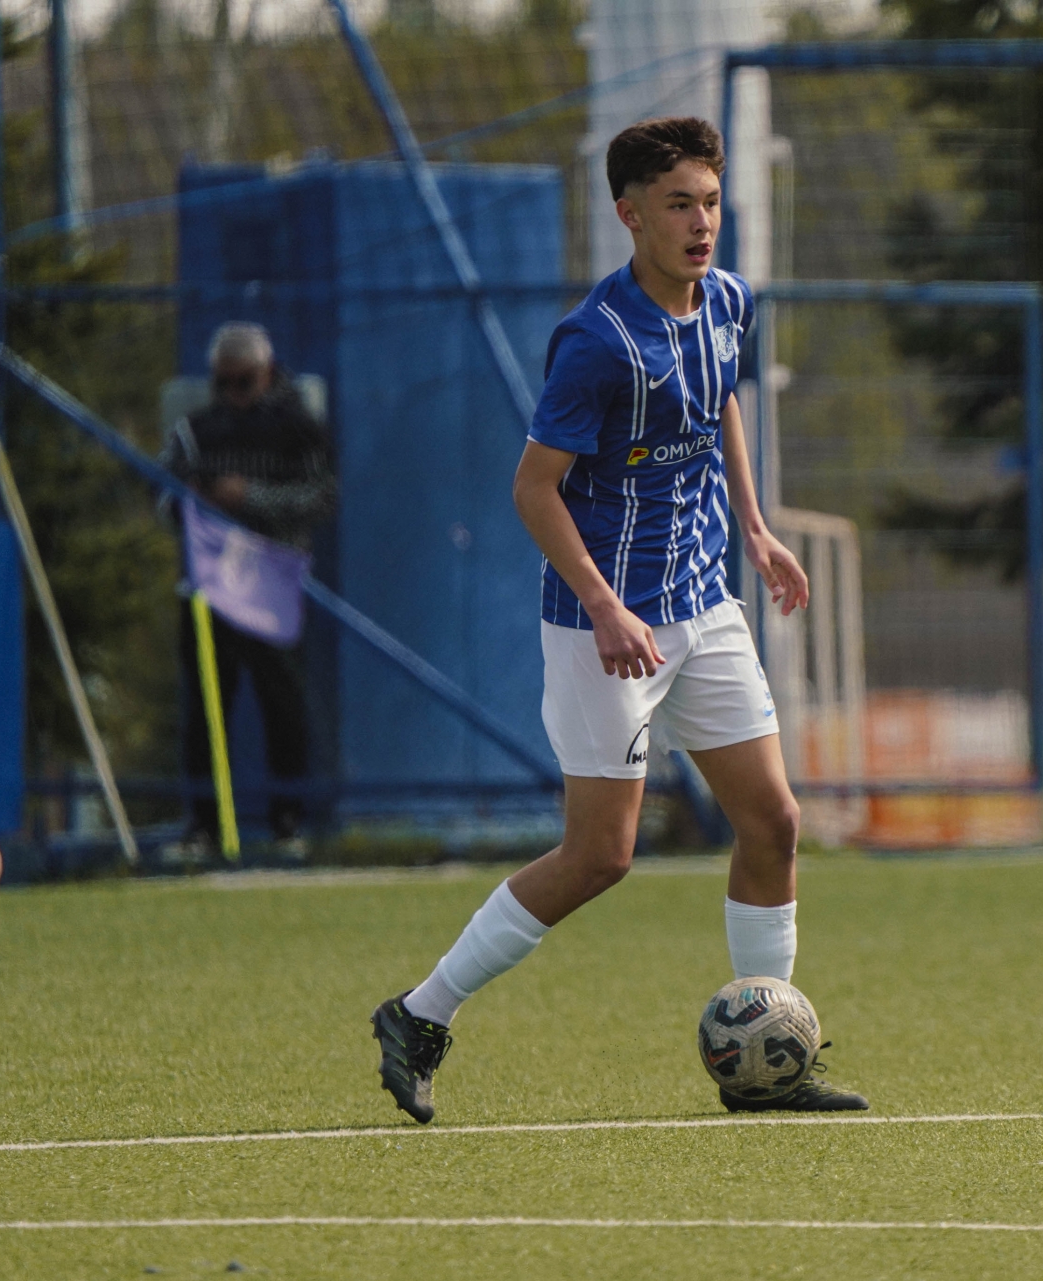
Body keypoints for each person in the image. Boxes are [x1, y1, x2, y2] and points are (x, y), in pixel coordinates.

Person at [369, 117, 868, 1121]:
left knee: (774, 821)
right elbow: (533, 488)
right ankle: (419, 1013)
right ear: (629, 214)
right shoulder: (597, 341)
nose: (701, 223)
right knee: (601, 855)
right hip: (604, 629)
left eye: (711, 202)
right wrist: (603, 606)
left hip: (703, 606)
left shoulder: (728, 300)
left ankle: (770, 1058)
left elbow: (720, 398)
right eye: (679, 204)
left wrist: (755, 526)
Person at [159, 322, 335, 859]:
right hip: (211, 588)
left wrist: (250, 497)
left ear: (268, 372)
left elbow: (322, 496)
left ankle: (288, 822)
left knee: (283, 705)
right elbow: (162, 496)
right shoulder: (195, 431)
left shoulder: (298, 426)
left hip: (272, 586)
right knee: (204, 709)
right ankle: (203, 825)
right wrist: (192, 504)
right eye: (224, 383)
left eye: (245, 382)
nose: (233, 394)